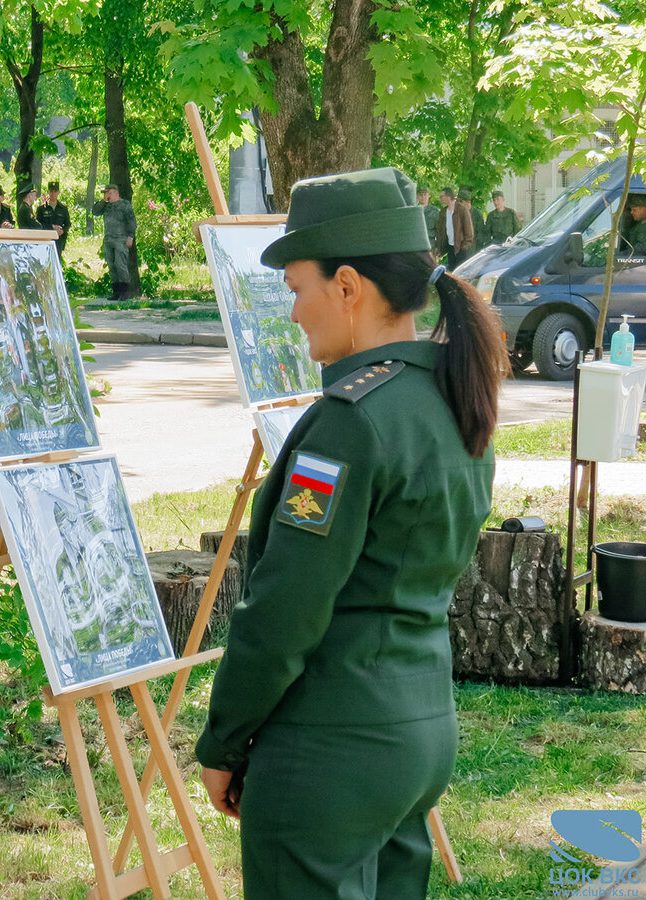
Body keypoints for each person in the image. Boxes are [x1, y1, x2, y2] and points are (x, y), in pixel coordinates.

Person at [196, 166, 506, 900]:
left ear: (346, 287)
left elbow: (285, 608)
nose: (295, 312)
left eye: (298, 288)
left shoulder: (351, 422)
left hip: (330, 748)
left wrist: (224, 740)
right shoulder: (451, 399)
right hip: (417, 731)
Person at [92, 182, 137, 301]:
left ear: (116, 193)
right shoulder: (105, 206)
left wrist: (131, 236)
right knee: (112, 265)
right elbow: (95, 212)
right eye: (105, 193)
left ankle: (125, 292)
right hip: (108, 239)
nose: (107, 195)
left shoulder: (124, 205)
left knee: (120, 264)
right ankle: (116, 292)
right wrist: (103, 200)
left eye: (109, 193)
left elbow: (132, 222)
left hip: (121, 238)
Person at [435, 187, 473, 268]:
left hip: (461, 249)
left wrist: (464, 248)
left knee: (460, 274)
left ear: (448, 197)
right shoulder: (443, 212)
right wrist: (439, 248)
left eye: (442, 196)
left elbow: (469, 233)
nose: (440, 198)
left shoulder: (462, 210)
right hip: (450, 248)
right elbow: (441, 232)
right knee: (452, 273)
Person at [37, 180, 71, 260]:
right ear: (48, 192)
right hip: (46, 239)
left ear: (58, 192)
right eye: (51, 191)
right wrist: (52, 227)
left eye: (55, 191)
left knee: (57, 261)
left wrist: (62, 230)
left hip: (58, 240)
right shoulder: (41, 208)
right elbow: (38, 224)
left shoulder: (63, 208)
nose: (53, 194)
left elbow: (68, 224)